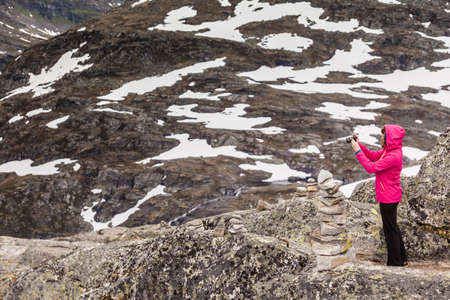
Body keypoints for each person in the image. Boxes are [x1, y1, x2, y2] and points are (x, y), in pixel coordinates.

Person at [350, 124, 408, 267]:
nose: (381, 137)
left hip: (388, 197)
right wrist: (360, 146)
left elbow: (371, 167)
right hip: (390, 195)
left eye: (383, 135)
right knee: (392, 227)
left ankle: (395, 263)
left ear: (390, 138)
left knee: (390, 231)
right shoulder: (389, 151)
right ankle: (402, 258)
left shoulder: (393, 156)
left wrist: (357, 152)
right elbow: (372, 155)